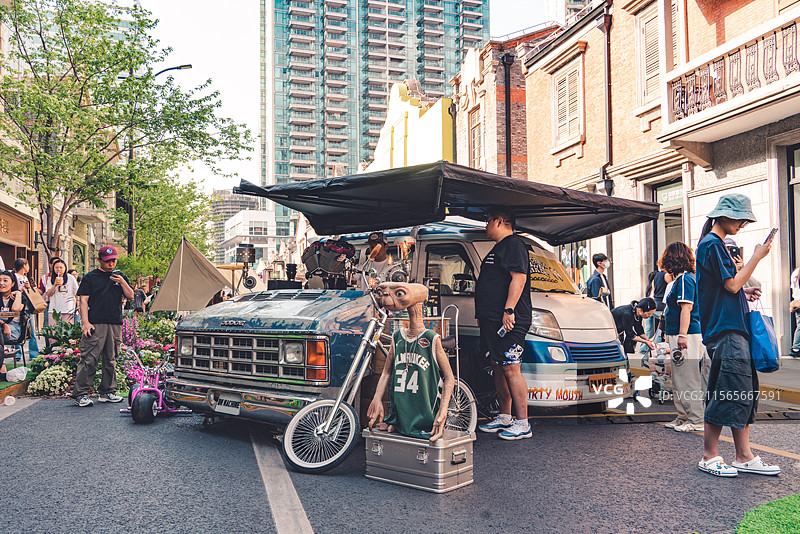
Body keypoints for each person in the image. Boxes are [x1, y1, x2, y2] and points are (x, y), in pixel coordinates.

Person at [695, 193, 779, 477]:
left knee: (741, 392)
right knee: (727, 391)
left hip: (732, 328)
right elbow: (730, 285)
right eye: (741, 218)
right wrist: (756, 257)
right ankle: (710, 455)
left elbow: (727, 289)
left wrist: (745, 292)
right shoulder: (712, 244)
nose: (743, 223)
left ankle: (744, 455)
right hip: (726, 330)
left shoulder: (713, 245)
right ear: (725, 215)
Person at [367, 282, 454, 441]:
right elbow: (387, 372)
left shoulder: (430, 338)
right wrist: (377, 398)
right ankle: (399, 422)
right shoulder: (398, 336)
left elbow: (449, 378)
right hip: (401, 410)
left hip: (424, 413)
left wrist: (443, 411)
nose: (386, 296)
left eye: (398, 293)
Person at [475, 209, 533, 440]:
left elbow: (519, 278)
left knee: (510, 366)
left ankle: (523, 423)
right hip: (493, 320)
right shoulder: (499, 247)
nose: (485, 226)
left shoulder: (513, 244)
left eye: (488, 221)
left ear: (499, 221)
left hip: (509, 320)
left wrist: (509, 310)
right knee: (499, 365)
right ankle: (505, 416)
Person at [71, 245, 134, 407]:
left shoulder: (120, 277)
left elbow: (131, 296)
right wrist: (85, 322)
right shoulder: (90, 277)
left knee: (111, 359)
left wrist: (122, 282)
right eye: (107, 261)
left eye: (113, 261)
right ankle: (81, 394)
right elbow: (82, 300)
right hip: (95, 323)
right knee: (89, 358)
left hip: (115, 323)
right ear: (99, 260)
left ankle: (107, 392)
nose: (111, 264)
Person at [660, 242, 711, 432]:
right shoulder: (686, 279)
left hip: (686, 334)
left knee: (688, 377)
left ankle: (696, 419)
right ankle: (683, 416)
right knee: (680, 377)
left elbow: (686, 309)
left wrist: (682, 334)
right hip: (682, 333)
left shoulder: (684, 281)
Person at [12, 258, 39, 360]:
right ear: (24, 266)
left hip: (28, 307)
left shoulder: (27, 278)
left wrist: (30, 287)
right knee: (16, 330)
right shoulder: (13, 276)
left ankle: (34, 354)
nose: (28, 267)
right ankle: (17, 353)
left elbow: (33, 293)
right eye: (27, 265)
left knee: (32, 331)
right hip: (18, 307)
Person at [43, 258, 79, 325]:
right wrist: (55, 285)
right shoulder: (50, 279)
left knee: (67, 331)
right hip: (54, 309)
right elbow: (48, 294)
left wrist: (78, 305)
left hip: (68, 309)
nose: (58, 269)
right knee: (54, 331)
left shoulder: (70, 278)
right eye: (56, 267)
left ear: (65, 268)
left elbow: (77, 292)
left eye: (61, 267)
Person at [0, 271, 25, 362]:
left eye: (5, 280)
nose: (1, 283)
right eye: (0, 280)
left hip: (14, 330)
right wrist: (4, 325)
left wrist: (18, 293)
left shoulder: (20, 297)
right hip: (3, 328)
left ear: (13, 283)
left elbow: (15, 309)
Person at [791, 267, 800, 358]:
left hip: (796, 302)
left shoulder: (795, 272)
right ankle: (796, 348)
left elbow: (793, 288)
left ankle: (796, 348)